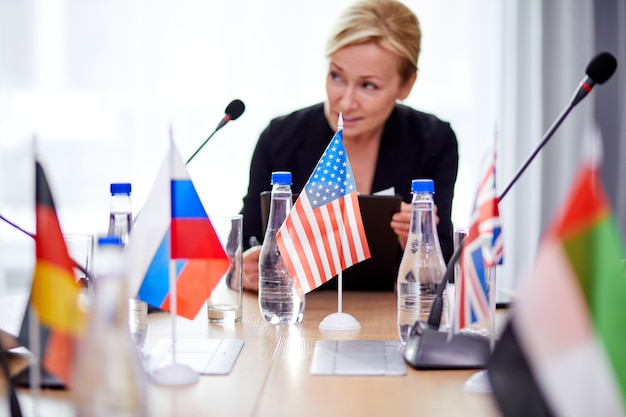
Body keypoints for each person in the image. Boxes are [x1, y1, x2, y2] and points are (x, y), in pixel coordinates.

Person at [241, 0, 458, 291]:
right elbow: (248, 238)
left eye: (368, 86)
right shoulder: (280, 136)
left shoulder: (433, 139)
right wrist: (251, 264)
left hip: (389, 317)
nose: (344, 101)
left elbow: (445, 263)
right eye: (336, 76)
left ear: (406, 85)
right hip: (299, 317)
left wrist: (422, 243)